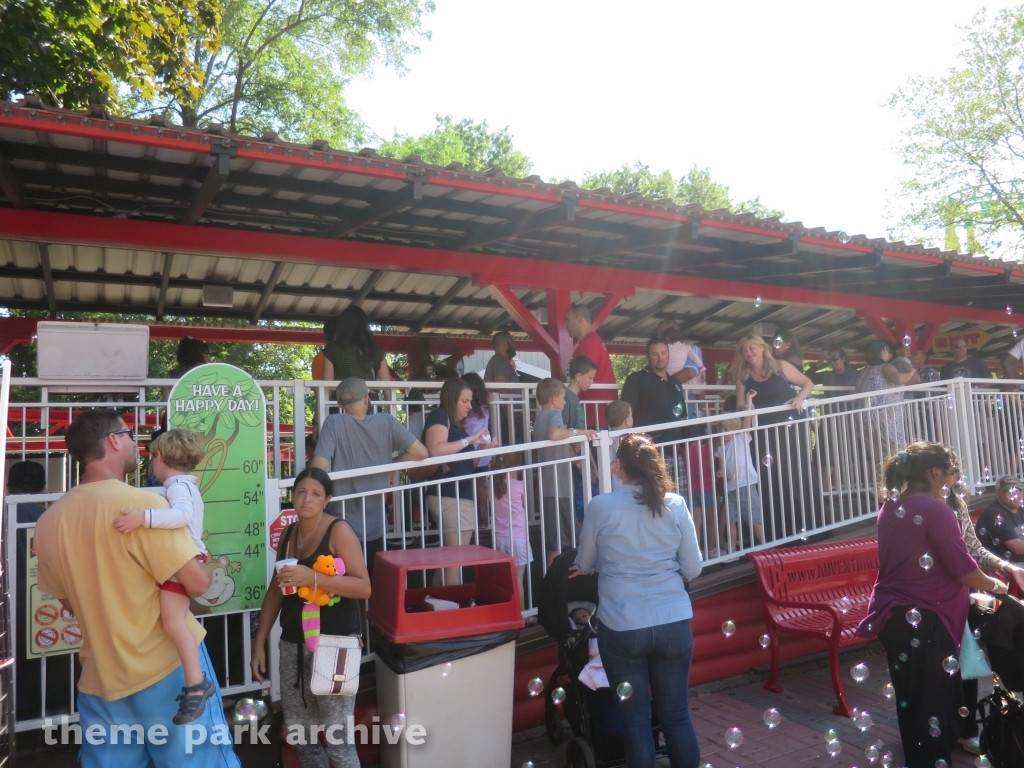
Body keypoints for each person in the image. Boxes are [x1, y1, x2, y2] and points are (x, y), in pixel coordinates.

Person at [33, 410, 238, 767]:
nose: (135, 444)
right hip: (167, 671)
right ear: (113, 440)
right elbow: (198, 583)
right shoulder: (143, 506)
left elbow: (69, 603)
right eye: (129, 435)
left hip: (100, 679)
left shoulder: (48, 522)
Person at [856, 442, 1007, 768]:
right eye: (950, 474)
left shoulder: (891, 506)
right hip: (926, 619)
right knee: (936, 709)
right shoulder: (935, 509)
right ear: (935, 472)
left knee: (914, 705)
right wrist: (1000, 586)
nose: (953, 482)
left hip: (896, 617)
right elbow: (963, 568)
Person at [574, 433, 702, 768]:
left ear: (618, 466)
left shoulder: (601, 506)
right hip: (674, 622)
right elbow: (693, 568)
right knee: (677, 716)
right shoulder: (675, 504)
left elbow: (585, 562)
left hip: (623, 625)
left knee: (635, 723)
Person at [251, 467, 371, 768]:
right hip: (293, 643)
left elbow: (364, 587)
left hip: (333, 644)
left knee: (338, 741)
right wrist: (259, 642)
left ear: (327, 500)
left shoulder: (338, 530)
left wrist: (313, 578)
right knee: (301, 737)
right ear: (293, 496)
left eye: (316, 494)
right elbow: (276, 590)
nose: (307, 499)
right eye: (302, 492)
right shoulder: (289, 533)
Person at [112, 429, 214, 723]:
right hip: (185, 558)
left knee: (172, 622)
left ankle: (196, 683)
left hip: (183, 561)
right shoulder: (183, 485)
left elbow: (182, 515)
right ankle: (195, 682)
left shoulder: (178, 487)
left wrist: (142, 518)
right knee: (172, 621)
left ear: (159, 456)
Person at [311, 378, 427, 576]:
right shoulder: (386, 422)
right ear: (367, 399)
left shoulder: (334, 423)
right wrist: (390, 464)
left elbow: (318, 467)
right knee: (373, 582)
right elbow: (421, 453)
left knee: (342, 583)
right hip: (376, 524)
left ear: (339, 403)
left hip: (340, 523)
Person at [946, 476, 1024, 754]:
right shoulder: (917, 508)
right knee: (943, 667)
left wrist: (1006, 567)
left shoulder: (955, 503)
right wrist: (993, 581)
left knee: (966, 661)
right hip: (935, 599)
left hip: (963, 594)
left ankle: (965, 730)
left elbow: (973, 548)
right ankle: (945, 730)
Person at [732, 333, 815, 539]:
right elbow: (739, 407)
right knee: (769, 480)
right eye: (745, 350)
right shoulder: (743, 377)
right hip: (762, 435)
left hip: (790, 431)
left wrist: (799, 397)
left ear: (763, 348)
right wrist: (747, 406)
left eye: (752, 348)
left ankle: (807, 525)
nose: (749, 353)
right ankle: (777, 531)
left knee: (795, 475)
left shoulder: (781, 367)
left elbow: (808, 383)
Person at [423, 377, 498, 584]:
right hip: (451, 495)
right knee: (457, 559)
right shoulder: (440, 415)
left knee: (450, 560)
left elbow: (467, 465)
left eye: (470, 401)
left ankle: (435, 600)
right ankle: (453, 603)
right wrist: (470, 440)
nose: (470, 406)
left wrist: (481, 448)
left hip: (457, 495)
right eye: (465, 401)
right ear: (451, 399)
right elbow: (435, 449)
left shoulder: (457, 425)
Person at [534, 378, 597, 567]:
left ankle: (553, 579)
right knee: (562, 544)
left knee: (557, 542)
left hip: (549, 486)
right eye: (563, 398)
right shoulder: (554, 413)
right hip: (559, 486)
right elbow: (555, 434)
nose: (564, 403)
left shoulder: (539, 418)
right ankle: (558, 581)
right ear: (554, 399)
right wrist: (578, 432)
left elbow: (558, 444)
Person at [715, 392, 763, 551]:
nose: (723, 432)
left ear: (735, 428)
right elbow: (722, 468)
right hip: (730, 488)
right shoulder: (721, 449)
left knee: (754, 520)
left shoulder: (742, 437)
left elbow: (747, 419)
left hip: (746, 484)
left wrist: (749, 399)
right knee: (731, 521)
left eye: (727, 429)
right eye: (721, 429)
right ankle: (733, 550)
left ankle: (765, 546)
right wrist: (720, 472)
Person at [856, 339, 918, 458]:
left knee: (879, 459)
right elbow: (899, 379)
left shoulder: (863, 371)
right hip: (885, 421)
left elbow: (857, 390)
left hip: (865, 421)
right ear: (882, 352)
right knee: (896, 456)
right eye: (887, 349)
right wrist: (912, 371)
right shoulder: (885, 367)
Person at [620, 340, 686, 443]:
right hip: (647, 446)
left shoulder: (676, 383)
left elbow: (681, 414)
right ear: (648, 356)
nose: (660, 358)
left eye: (663, 353)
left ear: (668, 354)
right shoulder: (636, 379)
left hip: (674, 445)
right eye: (655, 354)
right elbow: (624, 415)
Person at [491, 452, 531, 609]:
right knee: (518, 579)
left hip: (499, 538)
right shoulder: (519, 485)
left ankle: (507, 612)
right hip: (518, 537)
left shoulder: (490, 485)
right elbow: (526, 505)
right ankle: (521, 614)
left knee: (505, 580)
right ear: (515, 467)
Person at [566, 304, 616, 425]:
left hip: (594, 415)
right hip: (599, 412)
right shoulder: (593, 341)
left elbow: (581, 378)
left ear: (579, 319)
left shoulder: (588, 345)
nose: (565, 325)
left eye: (567, 320)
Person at [322, 305, 392, 383]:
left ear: (341, 325)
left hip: (343, 391)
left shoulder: (332, 349)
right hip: (368, 391)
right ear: (365, 325)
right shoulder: (374, 348)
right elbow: (387, 384)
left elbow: (326, 385)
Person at [975, 475, 1024, 564]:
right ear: (997, 494)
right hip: (1005, 565)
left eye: (1018, 490)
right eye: (1010, 491)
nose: (1015, 495)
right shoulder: (993, 514)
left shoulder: (1021, 508)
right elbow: (1017, 548)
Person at [605, 399, 632, 493]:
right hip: (618, 489)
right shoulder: (610, 440)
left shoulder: (629, 437)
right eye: (631, 415)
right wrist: (628, 461)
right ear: (627, 421)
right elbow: (606, 468)